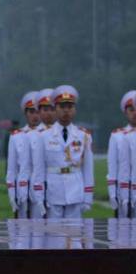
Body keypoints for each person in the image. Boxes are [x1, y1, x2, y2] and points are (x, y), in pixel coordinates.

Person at [32, 85, 94, 220]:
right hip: (53, 191)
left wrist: (88, 196)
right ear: (55, 109)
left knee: (74, 236)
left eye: (70, 107)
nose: (66, 111)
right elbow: (39, 169)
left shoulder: (84, 135)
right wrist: (39, 196)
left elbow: (88, 168)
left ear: (75, 110)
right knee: (55, 237)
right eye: (62, 107)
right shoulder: (43, 136)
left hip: (75, 191)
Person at [7, 91, 39, 218]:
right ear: (25, 113)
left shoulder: (49, 135)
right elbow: (12, 169)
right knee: (22, 228)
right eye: (31, 112)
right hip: (22, 186)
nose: (35, 116)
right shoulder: (16, 136)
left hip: (43, 188)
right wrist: (12, 193)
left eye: (37, 112)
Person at [26, 88, 57, 218]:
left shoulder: (67, 134)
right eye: (45, 110)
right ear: (40, 111)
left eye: (52, 109)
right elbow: (26, 166)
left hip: (59, 186)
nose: (49, 113)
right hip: (37, 187)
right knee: (37, 230)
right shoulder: (31, 135)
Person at [107, 91, 135, 218]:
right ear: (125, 111)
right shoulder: (117, 136)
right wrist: (113, 194)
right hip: (125, 191)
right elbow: (112, 167)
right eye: (131, 109)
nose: (135, 112)